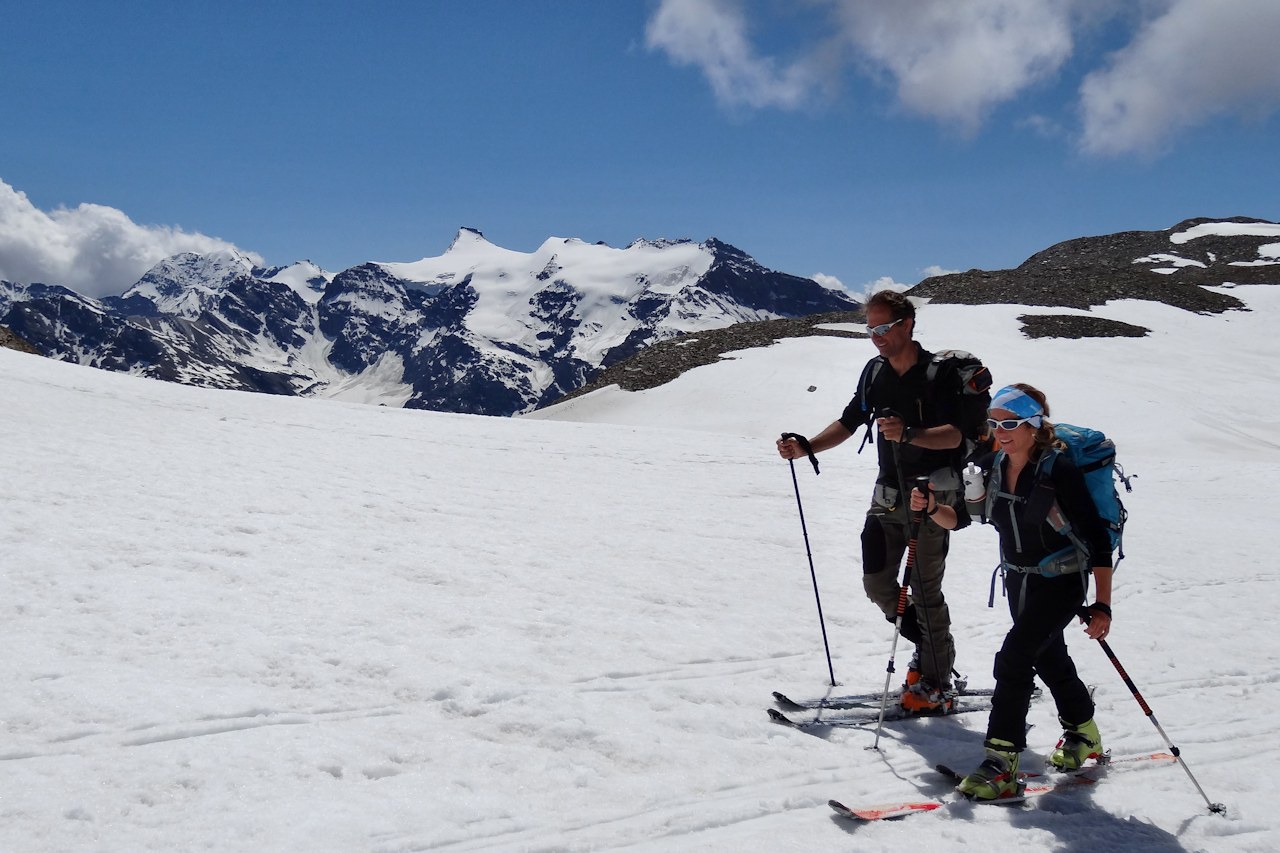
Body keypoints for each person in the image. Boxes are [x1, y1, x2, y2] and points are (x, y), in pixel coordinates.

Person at [777, 290, 980, 714]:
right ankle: (930, 652)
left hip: (935, 493)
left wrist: (909, 434)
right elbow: (852, 420)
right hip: (887, 494)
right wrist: (807, 447)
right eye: (870, 329)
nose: (876, 337)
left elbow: (957, 435)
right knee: (878, 583)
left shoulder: (938, 375)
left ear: (907, 325)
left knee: (925, 591)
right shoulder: (875, 373)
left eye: (883, 328)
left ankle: (937, 680)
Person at [913, 383, 1114, 800]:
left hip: (1061, 580)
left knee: (1014, 657)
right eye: (995, 422)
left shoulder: (1058, 469)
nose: (1000, 430)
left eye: (1011, 423)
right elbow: (963, 520)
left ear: (1034, 425)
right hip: (1019, 580)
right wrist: (933, 508)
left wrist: (1102, 604)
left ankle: (1001, 762)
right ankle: (1084, 731)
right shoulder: (991, 464)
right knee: (1046, 654)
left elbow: (1096, 538)